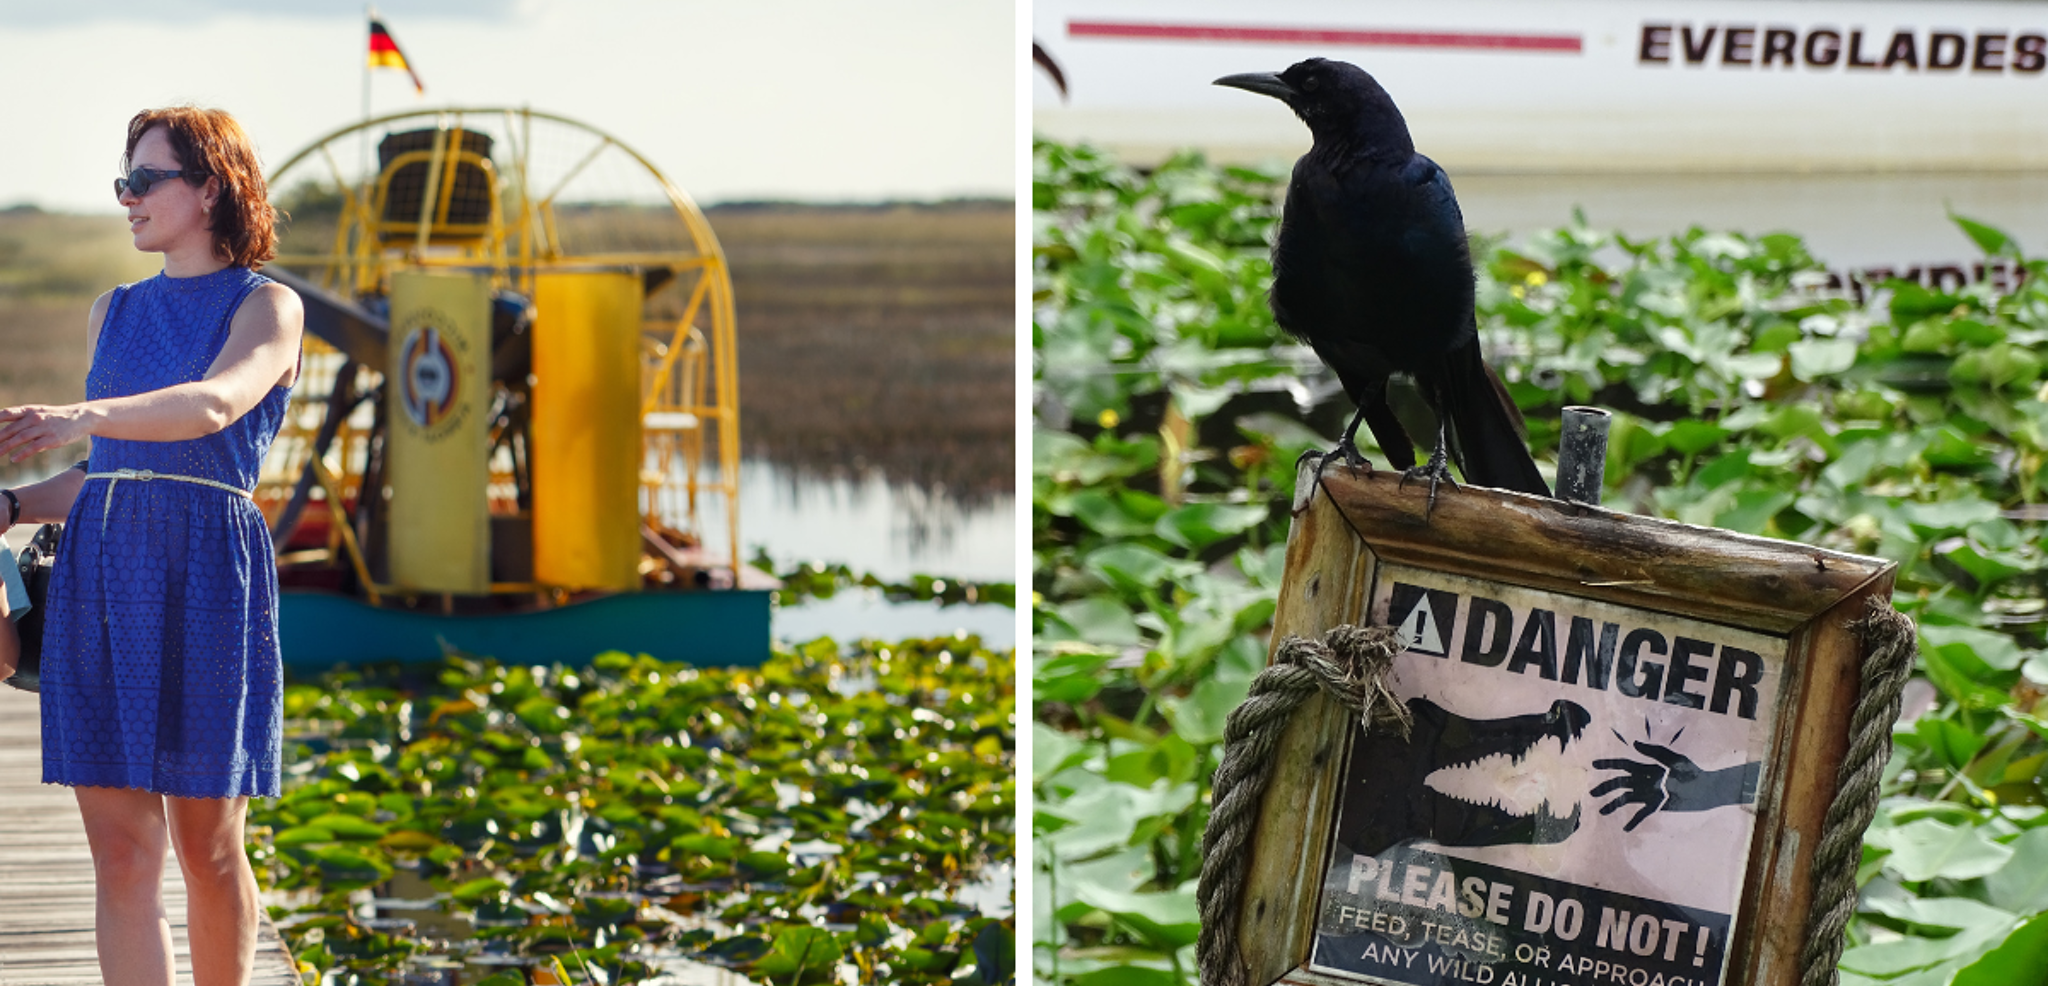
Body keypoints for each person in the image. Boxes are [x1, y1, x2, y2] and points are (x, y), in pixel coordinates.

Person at [0, 107, 303, 986]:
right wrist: (14, 502)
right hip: (101, 575)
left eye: (145, 179)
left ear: (209, 188)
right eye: (121, 182)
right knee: (123, 856)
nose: (127, 198)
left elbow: (212, 406)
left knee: (208, 848)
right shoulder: (113, 311)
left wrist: (78, 414)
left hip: (208, 573)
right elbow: (112, 475)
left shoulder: (267, 305)